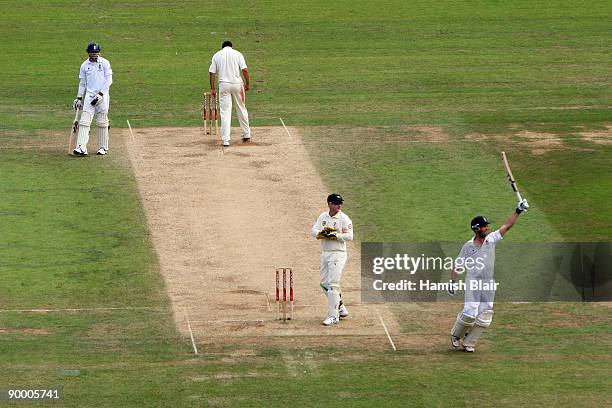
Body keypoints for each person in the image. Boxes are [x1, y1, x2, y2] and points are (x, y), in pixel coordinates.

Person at [448, 198, 529, 352]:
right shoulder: (468, 246)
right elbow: (457, 265)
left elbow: (507, 225)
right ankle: (456, 335)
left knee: (485, 315)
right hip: (473, 282)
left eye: (487, 226)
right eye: (485, 226)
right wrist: (452, 283)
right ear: (477, 229)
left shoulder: (491, 239)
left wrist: (518, 211)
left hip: (488, 282)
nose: (487, 228)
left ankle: (469, 342)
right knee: (470, 313)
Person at [311, 193, 353, 326]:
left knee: (333, 285)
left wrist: (335, 235)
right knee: (324, 284)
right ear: (329, 204)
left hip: (338, 254)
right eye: (336, 203)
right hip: (325, 253)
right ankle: (340, 308)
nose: (339, 205)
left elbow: (350, 236)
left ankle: (333, 316)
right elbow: (313, 231)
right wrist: (323, 233)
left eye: (340, 203)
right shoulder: (322, 217)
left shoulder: (344, 218)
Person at [72, 42, 113, 156]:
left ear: (99, 52)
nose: (94, 54)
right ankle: (81, 147)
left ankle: (103, 147)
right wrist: (79, 98)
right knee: (84, 121)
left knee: (102, 121)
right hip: (89, 96)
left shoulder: (105, 63)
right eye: (92, 52)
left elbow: (109, 81)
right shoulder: (84, 65)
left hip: (102, 96)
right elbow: (83, 83)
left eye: (96, 52)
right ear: (88, 53)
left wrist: (100, 94)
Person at [209, 41, 251, 147]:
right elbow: (245, 70)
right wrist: (248, 83)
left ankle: (226, 140)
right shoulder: (237, 54)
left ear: (222, 47)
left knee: (225, 113)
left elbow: (212, 73)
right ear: (231, 46)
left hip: (224, 85)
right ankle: (246, 134)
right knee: (241, 108)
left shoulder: (217, 55)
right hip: (238, 84)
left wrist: (212, 89)